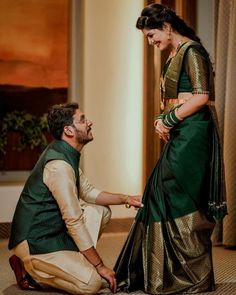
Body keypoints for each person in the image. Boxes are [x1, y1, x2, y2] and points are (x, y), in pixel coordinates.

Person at [114, 3, 227, 294]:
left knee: (180, 194)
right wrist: (161, 120)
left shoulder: (193, 51)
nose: (152, 43)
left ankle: (195, 276)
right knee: (161, 193)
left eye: (152, 36)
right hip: (182, 130)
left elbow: (201, 97)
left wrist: (168, 118)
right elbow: (175, 100)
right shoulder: (176, 54)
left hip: (194, 133)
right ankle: (161, 275)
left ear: (166, 27)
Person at [8, 102, 142, 294]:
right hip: (37, 240)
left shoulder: (65, 152)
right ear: (68, 130)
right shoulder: (59, 166)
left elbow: (89, 193)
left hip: (54, 231)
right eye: (83, 119)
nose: (90, 122)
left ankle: (72, 264)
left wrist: (126, 198)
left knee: (101, 211)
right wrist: (99, 266)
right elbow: (73, 220)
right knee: (92, 284)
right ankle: (30, 267)